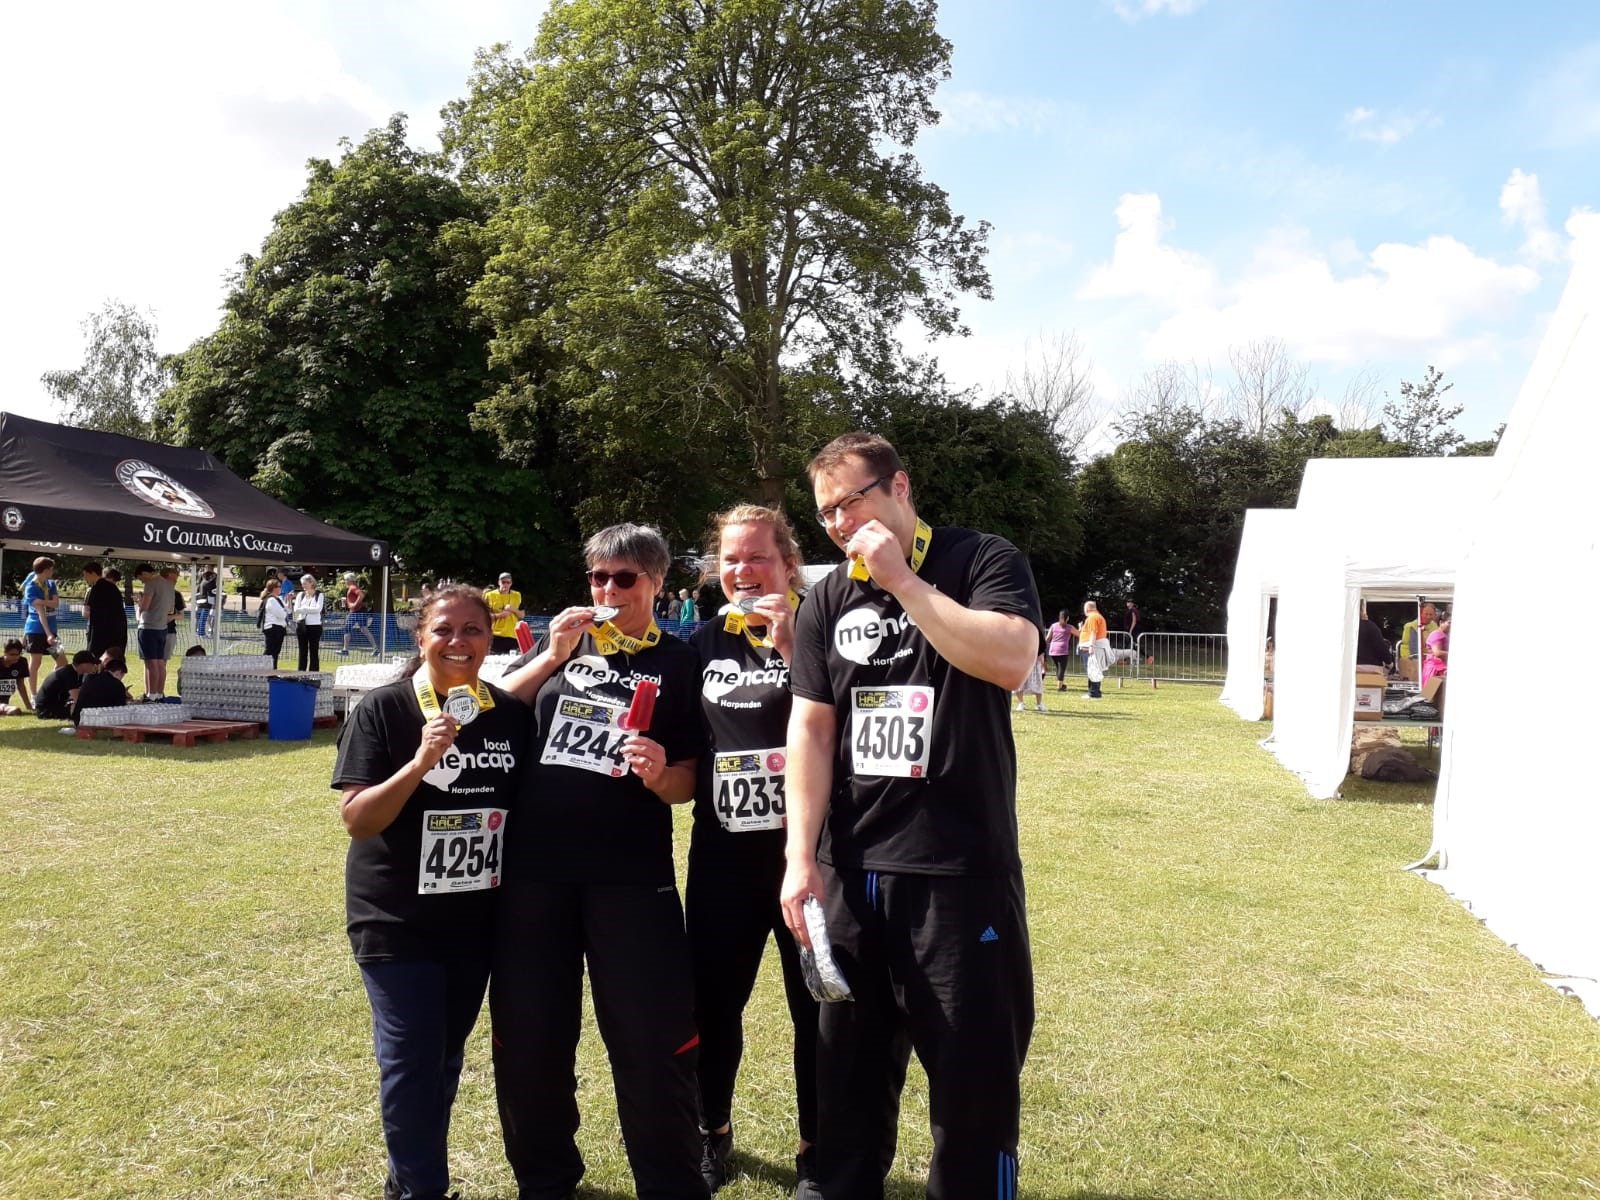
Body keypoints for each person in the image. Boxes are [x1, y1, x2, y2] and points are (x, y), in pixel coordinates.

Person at [781, 432, 1039, 1200]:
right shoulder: (828, 596)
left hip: (958, 871)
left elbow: (1011, 659)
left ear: (899, 486)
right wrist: (800, 858)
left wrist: (903, 585)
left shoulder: (981, 560)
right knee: (848, 1085)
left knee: (972, 1083)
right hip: (853, 871)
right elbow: (812, 727)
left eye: (849, 502)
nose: (836, 525)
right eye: (824, 513)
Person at [490, 523, 708, 1200]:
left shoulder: (679, 660)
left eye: (624, 578)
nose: (607, 589)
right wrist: (551, 655)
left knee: (650, 1044)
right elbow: (491, 717)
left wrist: (659, 773)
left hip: (630, 877)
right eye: (597, 577)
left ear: (656, 584)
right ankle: (545, 1179)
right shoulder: (560, 650)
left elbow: (689, 781)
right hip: (534, 873)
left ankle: (670, 1182)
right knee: (531, 1039)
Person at [331, 585, 529, 1200]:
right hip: (395, 917)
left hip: (474, 921)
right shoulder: (385, 709)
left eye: (472, 630)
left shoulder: (508, 714)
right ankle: (423, 1190)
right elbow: (358, 818)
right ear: (421, 638)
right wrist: (418, 763)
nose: (459, 642)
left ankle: (406, 1180)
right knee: (412, 1064)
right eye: (444, 629)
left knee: (442, 1059)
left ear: (490, 639)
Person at [686, 504, 820, 1196]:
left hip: (810, 856)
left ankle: (816, 1152)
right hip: (723, 856)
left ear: (788, 563)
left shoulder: (822, 624)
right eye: (731, 559)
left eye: (757, 557)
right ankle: (712, 1135)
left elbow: (845, 724)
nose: (742, 570)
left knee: (818, 1010)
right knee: (713, 1005)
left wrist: (793, 641)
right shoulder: (703, 642)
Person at [23, 556, 68, 694]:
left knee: (62, 661)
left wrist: (42, 601)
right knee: (35, 662)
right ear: (46, 570)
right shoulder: (31, 587)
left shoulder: (51, 584)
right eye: (51, 569)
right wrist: (48, 634)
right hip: (36, 629)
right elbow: (40, 612)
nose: (53, 571)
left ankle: (46, 688)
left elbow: (55, 603)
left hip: (52, 628)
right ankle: (34, 695)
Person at [134, 563, 175, 699]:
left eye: (141, 578)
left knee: (151, 663)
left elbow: (145, 606)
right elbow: (170, 608)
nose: (142, 581)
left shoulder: (151, 583)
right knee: (159, 663)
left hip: (148, 627)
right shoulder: (169, 585)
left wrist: (139, 602)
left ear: (145, 573)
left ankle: (151, 695)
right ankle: (158, 693)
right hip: (162, 627)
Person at [35, 650, 100, 721]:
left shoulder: (76, 673)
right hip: (46, 710)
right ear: (83, 664)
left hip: (56, 704)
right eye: (92, 664)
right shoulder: (69, 674)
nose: (94, 666)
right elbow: (77, 698)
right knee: (80, 709)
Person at [82, 561, 128, 660]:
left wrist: (92, 642)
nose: (85, 578)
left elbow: (97, 616)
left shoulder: (96, 589)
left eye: (85, 575)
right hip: (117, 634)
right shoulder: (113, 588)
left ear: (93, 573)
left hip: (102, 635)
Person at [72, 657, 129, 725]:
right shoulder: (118, 685)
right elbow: (120, 709)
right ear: (119, 672)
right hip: (98, 720)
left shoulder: (90, 678)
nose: (121, 679)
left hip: (79, 718)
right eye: (122, 676)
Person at [484, 572, 525, 655]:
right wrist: (500, 615)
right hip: (495, 635)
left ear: (511, 583)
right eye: (503, 582)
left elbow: (522, 615)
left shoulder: (517, 595)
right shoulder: (489, 595)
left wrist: (513, 609)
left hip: (512, 635)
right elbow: (482, 616)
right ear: (499, 582)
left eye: (508, 582)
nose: (505, 585)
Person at [294, 574, 327, 671]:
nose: (303, 586)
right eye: (302, 584)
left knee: (313, 650)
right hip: (302, 625)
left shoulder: (319, 595)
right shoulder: (300, 595)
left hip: (315, 626)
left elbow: (318, 609)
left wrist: (304, 609)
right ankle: (301, 672)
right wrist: (307, 610)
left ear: (311, 583)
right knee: (302, 650)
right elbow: (296, 609)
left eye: (305, 583)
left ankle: (313, 672)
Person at [342, 572, 379, 656]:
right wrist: (347, 601)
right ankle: (375, 648)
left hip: (356, 611)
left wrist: (354, 604)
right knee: (364, 629)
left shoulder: (352, 587)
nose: (345, 581)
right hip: (360, 610)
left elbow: (361, 595)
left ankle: (345, 650)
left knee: (347, 628)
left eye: (346, 580)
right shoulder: (353, 587)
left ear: (350, 580)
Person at [1397, 604, 1437, 682]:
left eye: (1431, 614)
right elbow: (1414, 650)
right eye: (1426, 614)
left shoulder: (1434, 625)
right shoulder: (1412, 626)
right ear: (1421, 613)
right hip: (1412, 659)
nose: (1428, 617)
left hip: (1429, 657)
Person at [1078, 600, 1109, 699]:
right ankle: (1096, 692)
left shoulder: (1092, 617)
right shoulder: (1099, 616)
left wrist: (1091, 646)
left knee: (1092, 669)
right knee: (1095, 669)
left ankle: (1093, 693)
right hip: (1096, 646)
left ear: (1087, 609)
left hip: (1090, 647)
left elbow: (1093, 633)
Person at [260, 581, 292, 668]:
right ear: (274, 588)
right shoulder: (271, 600)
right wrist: (284, 611)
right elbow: (282, 615)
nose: (280, 588)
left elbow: (288, 611)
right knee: (270, 651)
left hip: (279, 628)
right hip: (273, 628)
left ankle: (273, 670)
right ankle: (265, 670)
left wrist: (288, 599)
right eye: (279, 586)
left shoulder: (278, 599)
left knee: (276, 651)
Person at [1045, 610, 1076, 692]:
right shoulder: (1069, 627)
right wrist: (1080, 627)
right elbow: (1079, 634)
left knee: (1058, 668)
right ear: (1067, 618)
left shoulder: (1053, 626)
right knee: (1061, 669)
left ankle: (1061, 684)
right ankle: (1059, 687)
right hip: (1062, 650)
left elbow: (1048, 638)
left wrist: (1042, 646)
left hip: (1052, 650)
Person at [1355, 605, 1394, 672]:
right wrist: (1389, 663)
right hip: (1371, 667)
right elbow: (1380, 646)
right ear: (1361, 611)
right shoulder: (1370, 626)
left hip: (1347, 667)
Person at [1, 638, 34, 715]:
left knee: (15, 711)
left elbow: (21, 685)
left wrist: (28, 706)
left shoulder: (22, 662)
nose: (16, 657)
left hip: (4, 703)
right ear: (5, 653)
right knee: (15, 710)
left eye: (18, 654)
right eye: (12, 654)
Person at [161, 566, 186, 660]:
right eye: (172, 579)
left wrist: (172, 617)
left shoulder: (177, 594)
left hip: (169, 632)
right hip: (154, 631)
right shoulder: (154, 592)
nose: (175, 582)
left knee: (163, 662)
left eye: (176, 579)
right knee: (151, 661)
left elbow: (181, 615)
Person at [1012, 649, 1047, 713]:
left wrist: (1042, 657)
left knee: (1038, 681)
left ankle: (1039, 704)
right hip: (1020, 658)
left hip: (1035, 658)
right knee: (1019, 681)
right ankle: (1021, 703)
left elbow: (1042, 644)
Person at [1422, 614, 1451, 687]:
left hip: (1442, 668)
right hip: (1435, 670)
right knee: (1430, 695)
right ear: (1441, 622)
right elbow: (1437, 652)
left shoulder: (1446, 634)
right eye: (1449, 622)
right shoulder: (1437, 634)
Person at [195, 568, 218, 639]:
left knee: (199, 618)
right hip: (206, 601)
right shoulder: (211, 581)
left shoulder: (201, 581)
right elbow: (213, 591)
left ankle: (199, 632)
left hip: (200, 600)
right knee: (203, 618)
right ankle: (202, 634)